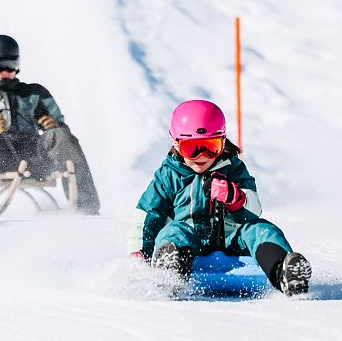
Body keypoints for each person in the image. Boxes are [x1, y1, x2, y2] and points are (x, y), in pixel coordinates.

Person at [128, 99, 311, 296]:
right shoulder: (169, 175)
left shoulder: (233, 168)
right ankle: (170, 275)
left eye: (210, 146)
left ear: (223, 142)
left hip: (233, 238)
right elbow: (147, 213)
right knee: (173, 230)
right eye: (192, 148)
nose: (201, 156)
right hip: (190, 240)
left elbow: (255, 209)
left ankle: (284, 272)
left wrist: (235, 197)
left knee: (261, 229)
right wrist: (140, 252)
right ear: (176, 144)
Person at [0, 35, 100, 216]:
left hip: (34, 157)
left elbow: (62, 132)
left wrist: (53, 125)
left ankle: (87, 206)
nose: (6, 71)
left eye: (11, 65)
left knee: (60, 135)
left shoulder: (34, 93)